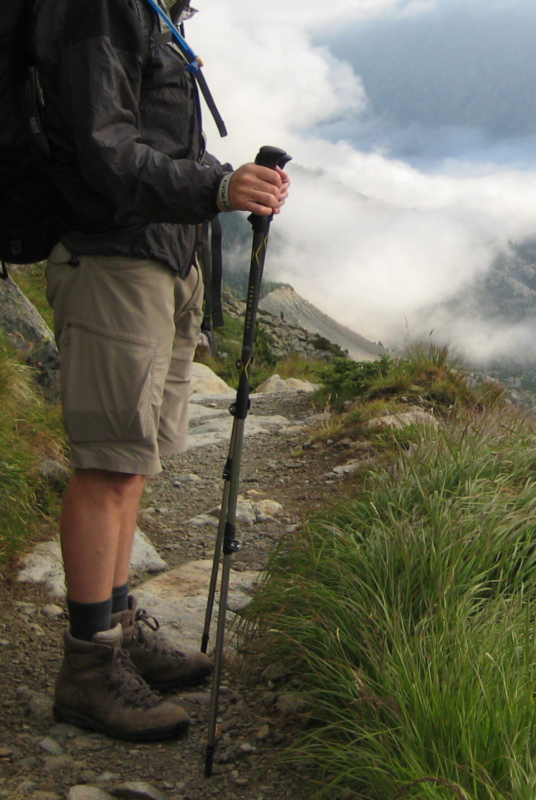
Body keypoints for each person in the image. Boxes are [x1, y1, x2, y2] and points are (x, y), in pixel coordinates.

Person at [32, 0, 290, 741]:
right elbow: (103, 152)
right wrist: (215, 191)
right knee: (108, 464)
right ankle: (88, 668)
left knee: (133, 461)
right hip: (115, 259)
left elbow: (157, 137)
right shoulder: (102, 8)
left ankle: (117, 625)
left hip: (163, 259)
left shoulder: (155, 13)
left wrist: (230, 181)